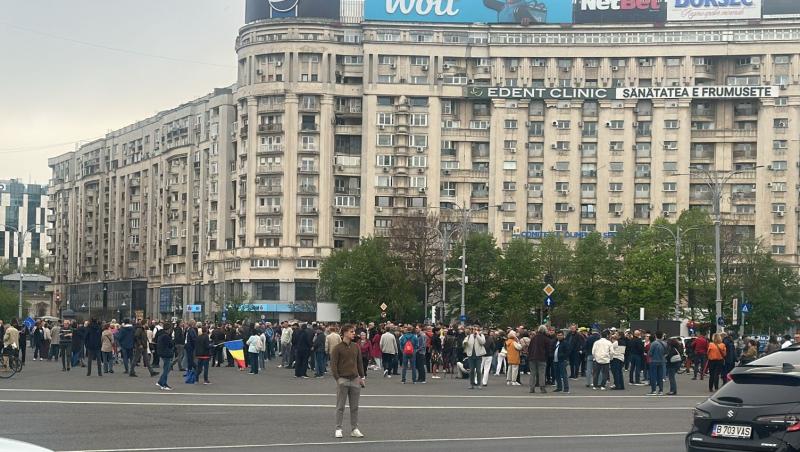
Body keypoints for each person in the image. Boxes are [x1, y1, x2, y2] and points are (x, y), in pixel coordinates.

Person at [331, 324, 365, 439]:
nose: (353, 333)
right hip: (343, 380)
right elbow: (333, 365)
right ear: (344, 333)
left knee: (354, 407)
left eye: (353, 331)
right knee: (340, 406)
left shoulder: (356, 346)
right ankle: (338, 428)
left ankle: (354, 428)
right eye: (351, 331)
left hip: (355, 379)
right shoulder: (337, 348)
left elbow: (359, 362)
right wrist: (338, 379)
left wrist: (362, 377)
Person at [528, 325, 550, 394]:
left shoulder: (533, 338)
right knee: (542, 373)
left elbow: (529, 348)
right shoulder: (546, 339)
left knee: (532, 373)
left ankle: (531, 388)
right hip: (542, 358)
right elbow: (548, 350)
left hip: (532, 358)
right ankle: (542, 388)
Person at [462, 325, 486, 389]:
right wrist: (464, 343)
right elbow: (464, 342)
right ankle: (471, 384)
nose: (475, 330)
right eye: (473, 329)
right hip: (470, 355)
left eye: (476, 329)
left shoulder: (481, 335)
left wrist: (477, 335)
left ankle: (479, 384)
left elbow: (482, 342)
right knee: (471, 370)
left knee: (478, 370)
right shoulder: (469, 336)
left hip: (478, 355)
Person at [647, 331, 667, 396]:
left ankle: (654, 390)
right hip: (661, 361)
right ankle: (661, 390)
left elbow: (650, 353)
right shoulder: (664, 343)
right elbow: (666, 353)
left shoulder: (653, 343)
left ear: (655, 336)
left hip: (654, 361)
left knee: (653, 376)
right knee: (660, 376)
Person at [156, 323, 175, 390]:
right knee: (166, 369)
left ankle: (161, 382)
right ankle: (163, 383)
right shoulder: (166, 336)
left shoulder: (160, 334)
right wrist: (172, 341)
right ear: (169, 329)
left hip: (161, 353)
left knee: (166, 369)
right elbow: (170, 345)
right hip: (166, 353)